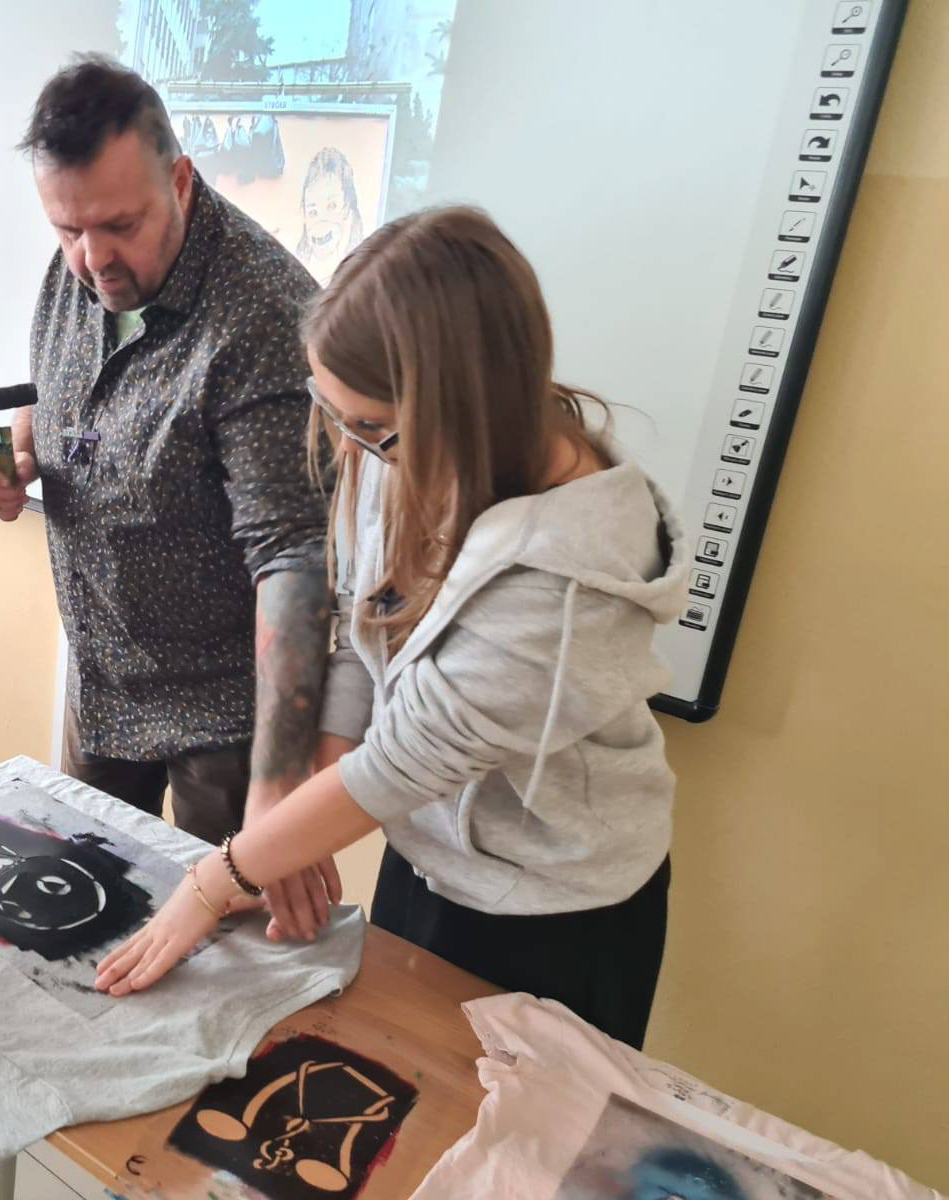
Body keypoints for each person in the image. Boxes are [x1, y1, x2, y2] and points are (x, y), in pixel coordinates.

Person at [95, 207, 689, 1050]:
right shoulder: (402, 447)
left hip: (555, 909)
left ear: (461, 408)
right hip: (431, 853)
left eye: (370, 428)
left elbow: (402, 762)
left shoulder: (561, 586)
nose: (350, 451)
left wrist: (216, 879)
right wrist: (292, 822)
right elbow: (367, 627)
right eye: (332, 413)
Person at [0, 57, 341, 939]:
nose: (92, 259)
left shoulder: (264, 316)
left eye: (118, 226)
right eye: (67, 229)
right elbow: (58, 392)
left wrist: (277, 797)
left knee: (218, 947)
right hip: (103, 671)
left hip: (225, 717)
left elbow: (295, 563)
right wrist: (18, 460)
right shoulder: (83, 261)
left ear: (180, 181)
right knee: (78, 915)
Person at [295, 147, 365, 284]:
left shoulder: (360, 264)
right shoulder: (299, 263)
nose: (321, 220)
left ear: (347, 206)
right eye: (313, 212)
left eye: (332, 206)